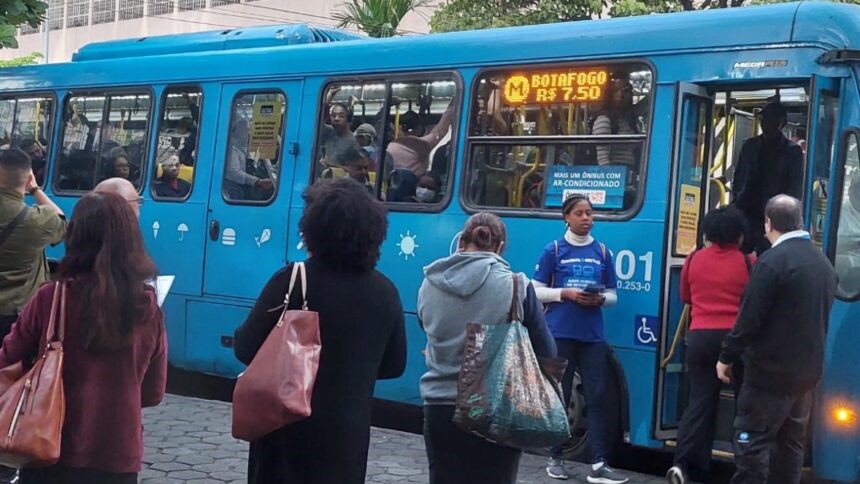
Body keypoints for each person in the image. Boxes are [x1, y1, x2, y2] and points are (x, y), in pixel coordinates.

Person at [233, 178, 406, 484]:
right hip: (346, 440)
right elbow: (395, 365)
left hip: (286, 432)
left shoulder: (292, 280)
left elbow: (245, 348)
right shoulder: (386, 291)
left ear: (313, 228)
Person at [0, 191, 167, 484]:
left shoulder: (51, 298)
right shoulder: (147, 306)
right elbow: (153, 392)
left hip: (47, 446)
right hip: (117, 453)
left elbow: (7, 359)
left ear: (75, 237)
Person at [418, 212, 556, 484]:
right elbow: (548, 350)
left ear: (461, 240)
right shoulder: (516, 285)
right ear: (500, 246)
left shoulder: (429, 282)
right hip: (496, 412)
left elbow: (427, 327)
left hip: (439, 407)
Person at [716, 195, 836, 484]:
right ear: (800, 221)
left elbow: (749, 319)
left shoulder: (772, 262)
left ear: (768, 223)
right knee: (790, 447)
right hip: (806, 374)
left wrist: (726, 356)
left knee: (751, 443)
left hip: (769, 374)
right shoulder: (822, 263)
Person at [532, 193, 628, 484]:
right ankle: (555, 457)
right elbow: (534, 290)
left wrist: (599, 300)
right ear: (567, 217)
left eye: (590, 213)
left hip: (592, 336)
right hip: (560, 332)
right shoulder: (554, 250)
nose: (587, 218)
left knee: (598, 396)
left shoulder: (602, 251)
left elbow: (613, 294)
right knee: (558, 395)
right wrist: (566, 294)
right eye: (580, 213)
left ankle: (599, 464)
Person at [666, 207, 753, 484]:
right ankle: (744, 465)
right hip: (736, 340)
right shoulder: (748, 262)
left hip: (700, 337)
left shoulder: (693, 259)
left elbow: (685, 296)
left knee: (700, 402)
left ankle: (684, 465)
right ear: (739, 235)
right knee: (745, 403)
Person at [0, 148, 66, 338]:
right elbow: (63, 223)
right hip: (17, 315)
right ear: (29, 178)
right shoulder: (36, 220)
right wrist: (35, 189)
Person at [731, 102, 804, 254]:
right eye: (764, 119)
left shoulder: (792, 151)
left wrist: (786, 212)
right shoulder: (749, 145)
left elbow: (795, 185)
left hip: (774, 214)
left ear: (781, 123)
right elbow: (738, 175)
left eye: (772, 119)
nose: (766, 123)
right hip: (747, 209)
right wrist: (737, 197)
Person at [387, 101, 455, 178]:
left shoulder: (391, 146)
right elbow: (440, 130)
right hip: (412, 187)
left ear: (401, 128)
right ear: (419, 128)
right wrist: (452, 106)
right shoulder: (420, 145)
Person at [224, 117, 273, 200]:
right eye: (248, 129)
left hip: (241, 190)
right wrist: (258, 181)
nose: (250, 133)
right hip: (232, 191)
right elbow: (233, 172)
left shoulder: (244, 148)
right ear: (240, 131)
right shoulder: (232, 149)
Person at [319, 102, 360, 168]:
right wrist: (330, 95)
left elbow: (355, 170)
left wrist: (332, 165)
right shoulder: (329, 132)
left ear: (348, 119)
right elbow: (318, 118)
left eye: (341, 116)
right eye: (333, 115)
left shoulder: (354, 142)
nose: (336, 119)